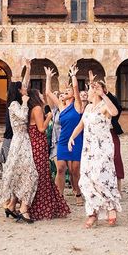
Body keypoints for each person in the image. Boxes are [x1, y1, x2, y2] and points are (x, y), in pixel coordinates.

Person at [69, 81, 121, 228]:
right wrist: (72, 137)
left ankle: (111, 207)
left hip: (103, 148)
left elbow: (115, 112)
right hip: (88, 149)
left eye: (90, 90)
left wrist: (103, 94)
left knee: (101, 177)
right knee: (86, 179)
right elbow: (81, 125)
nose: (88, 92)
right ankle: (92, 212)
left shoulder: (104, 106)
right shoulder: (88, 108)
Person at [0, 73, 38, 223]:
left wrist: (29, 69)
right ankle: (23, 208)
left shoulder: (17, 103)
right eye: (23, 88)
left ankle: (12, 206)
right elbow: (23, 116)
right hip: (19, 141)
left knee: (21, 173)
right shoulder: (14, 105)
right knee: (31, 174)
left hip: (23, 141)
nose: (26, 89)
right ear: (19, 91)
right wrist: (26, 103)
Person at [27, 89, 70, 221]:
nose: (42, 96)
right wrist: (49, 117)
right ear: (36, 97)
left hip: (34, 142)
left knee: (40, 173)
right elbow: (41, 128)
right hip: (38, 143)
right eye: (40, 94)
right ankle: (42, 208)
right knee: (43, 174)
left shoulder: (30, 109)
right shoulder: (38, 109)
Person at [48, 64, 85, 205]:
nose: (67, 91)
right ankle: (60, 196)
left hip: (76, 140)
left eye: (68, 90)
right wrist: (48, 77)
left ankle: (77, 192)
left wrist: (73, 75)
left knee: (75, 170)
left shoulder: (77, 105)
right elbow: (48, 93)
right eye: (66, 90)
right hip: (62, 141)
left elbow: (76, 89)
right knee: (61, 168)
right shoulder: (62, 106)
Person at [100, 80, 125, 192]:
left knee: (116, 158)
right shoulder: (94, 105)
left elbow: (118, 107)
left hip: (111, 132)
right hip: (99, 135)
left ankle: (118, 188)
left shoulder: (110, 104)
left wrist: (106, 93)